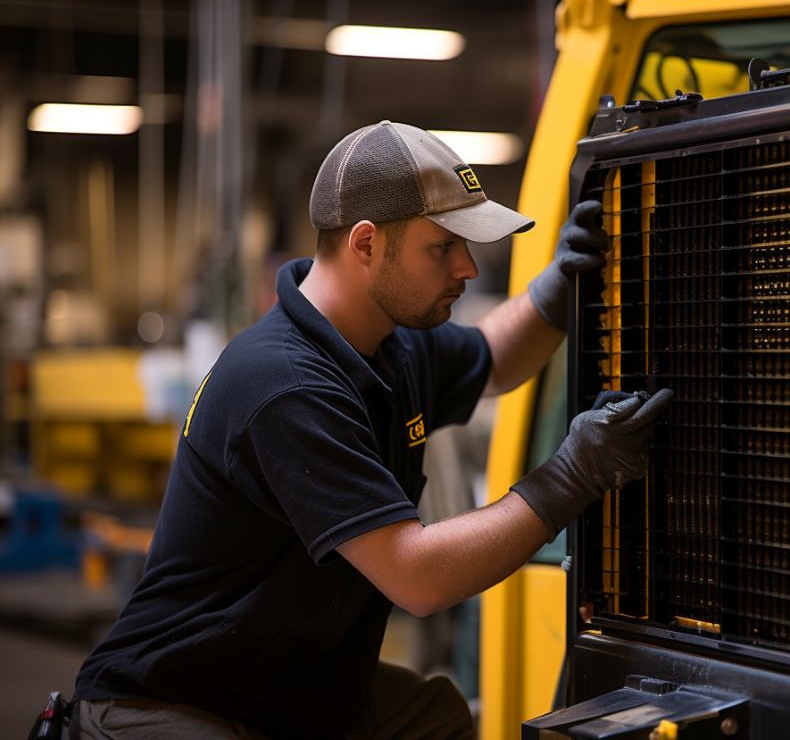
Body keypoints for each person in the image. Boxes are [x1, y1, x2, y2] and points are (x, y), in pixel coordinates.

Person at [69, 121, 673, 739]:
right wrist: (574, 474)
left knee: (430, 717)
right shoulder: (286, 383)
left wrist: (559, 288)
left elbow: (493, 357)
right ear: (365, 244)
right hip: (172, 701)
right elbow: (417, 575)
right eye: (442, 247)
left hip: (285, 686)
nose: (466, 266)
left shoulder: (387, 345)